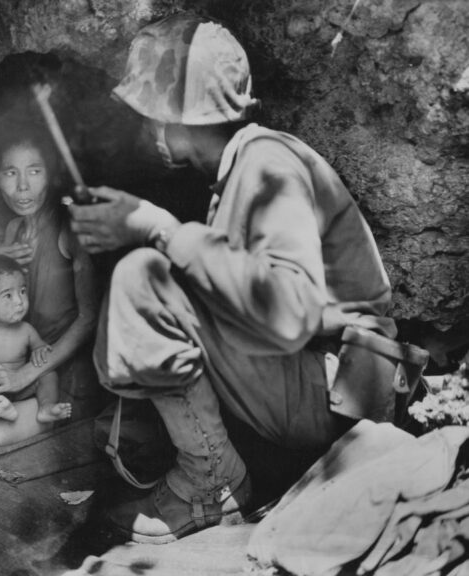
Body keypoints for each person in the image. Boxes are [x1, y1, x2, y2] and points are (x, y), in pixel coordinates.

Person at [67, 13, 397, 544]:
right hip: (319, 382)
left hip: (336, 390)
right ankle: (208, 462)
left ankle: (211, 486)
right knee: (165, 277)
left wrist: (157, 228)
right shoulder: (242, 166)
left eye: (154, 114)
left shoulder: (268, 163)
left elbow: (288, 313)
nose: (149, 129)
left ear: (180, 118)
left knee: (144, 277)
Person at [0, 122, 100, 450]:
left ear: (50, 175)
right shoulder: (13, 230)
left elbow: (90, 318)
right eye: (10, 173)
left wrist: (23, 376)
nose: (23, 187)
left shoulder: (71, 227)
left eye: (35, 171)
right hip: (23, 362)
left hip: (64, 374)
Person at [0, 255, 72, 448]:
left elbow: (42, 349)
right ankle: (2, 410)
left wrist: (40, 350)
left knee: (48, 372)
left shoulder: (26, 330)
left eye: (23, 291)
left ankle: (45, 407)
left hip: (23, 388)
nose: (20, 301)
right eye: (8, 295)